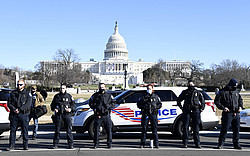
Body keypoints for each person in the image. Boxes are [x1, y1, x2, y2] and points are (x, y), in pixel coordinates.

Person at [215, 78, 243, 149]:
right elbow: (217, 102)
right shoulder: (223, 92)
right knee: (225, 129)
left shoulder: (236, 92)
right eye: (233, 87)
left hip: (236, 113)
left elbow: (240, 100)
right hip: (227, 113)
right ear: (230, 85)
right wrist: (223, 107)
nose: (234, 88)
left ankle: (236, 144)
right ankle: (221, 144)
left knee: (236, 130)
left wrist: (240, 106)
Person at [177, 80, 205, 148]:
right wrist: (181, 108)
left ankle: (197, 143)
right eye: (189, 84)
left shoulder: (197, 92)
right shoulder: (185, 92)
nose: (190, 85)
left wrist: (201, 109)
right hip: (187, 111)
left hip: (196, 111)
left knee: (196, 127)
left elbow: (203, 101)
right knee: (185, 127)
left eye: (191, 84)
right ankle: (185, 143)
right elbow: (179, 100)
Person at [6, 80, 32, 151]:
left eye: (20, 84)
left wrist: (20, 109)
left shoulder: (27, 93)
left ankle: (25, 145)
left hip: (23, 114)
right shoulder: (13, 93)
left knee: (24, 130)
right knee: (13, 130)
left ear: (24, 85)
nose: (19, 86)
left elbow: (28, 103)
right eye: (18, 85)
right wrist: (14, 109)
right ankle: (11, 145)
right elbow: (9, 103)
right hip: (14, 114)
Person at [89, 83, 115, 149]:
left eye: (103, 87)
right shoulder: (95, 95)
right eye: (100, 87)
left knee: (108, 130)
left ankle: (109, 144)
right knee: (96, 130)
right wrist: (95, 108)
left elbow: (113, 103)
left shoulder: (109, 95)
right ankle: (96, 144)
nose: (102, 88)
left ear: (105, 87)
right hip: (98, 115)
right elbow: (90, 103)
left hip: (106, 115)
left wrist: (109, 107)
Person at [50, 84, 75, 149]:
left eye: (63, 88)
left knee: (69, 130)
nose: (62, 89)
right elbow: (52, 105)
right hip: (59, 115)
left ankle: (70, 144)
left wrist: (70, 109)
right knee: (57, 130)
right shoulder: (56, 96)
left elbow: (73, 105)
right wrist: (54, 109)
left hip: (67, 115)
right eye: (61, 88)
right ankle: (55, 144)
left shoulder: (69, 96)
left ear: (66, 88)